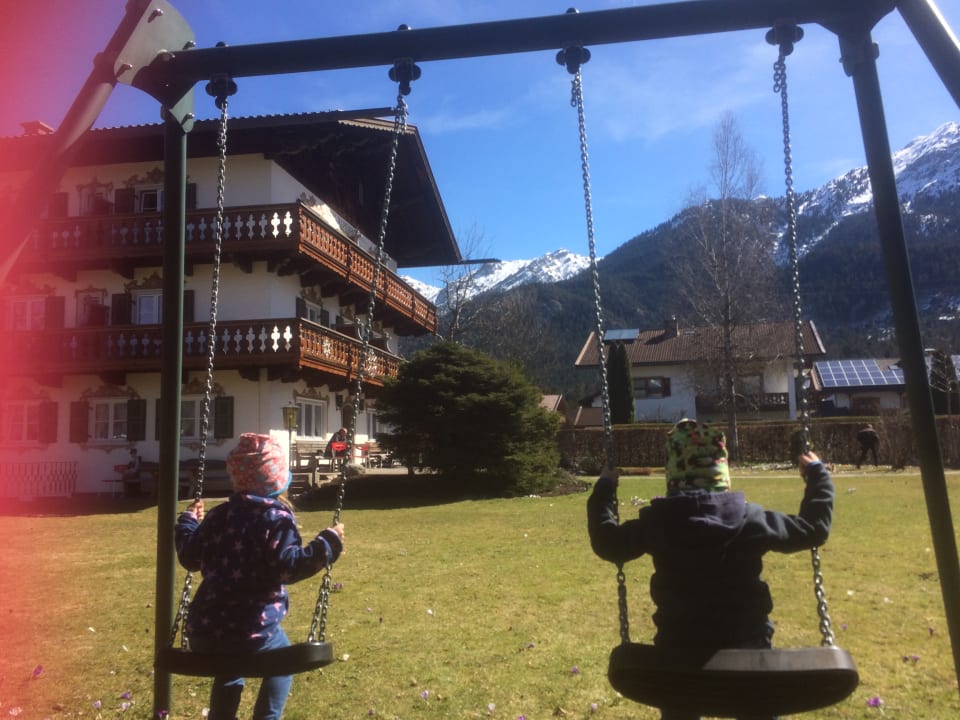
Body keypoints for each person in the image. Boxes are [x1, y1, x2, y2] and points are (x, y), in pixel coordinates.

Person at [587, 418, 834, 720]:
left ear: (672, 473)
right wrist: (817, 477)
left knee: (679, 698)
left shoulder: (657, 522)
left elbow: (608, 543)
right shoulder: (751, 520)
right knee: (757, 698)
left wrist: (605, 489)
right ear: (723, 472)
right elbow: (812, 529)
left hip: (678, 662)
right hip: (749, 658)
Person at [175, 433, 345, 720]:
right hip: (252, 632)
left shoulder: (218, 516)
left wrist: (188, 521)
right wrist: (328, 543)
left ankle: (221, 715)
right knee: (283, 661)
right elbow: (290, 567)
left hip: (204, 632)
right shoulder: (276, 520)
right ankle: (267, 717)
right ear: (278, 482)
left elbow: (189, 556)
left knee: (229, 666)